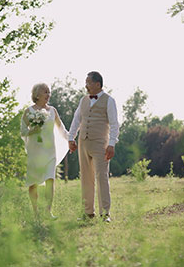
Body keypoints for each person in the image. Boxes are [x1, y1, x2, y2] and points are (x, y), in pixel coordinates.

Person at [68, 71, 119, 223]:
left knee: (102, 177)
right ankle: (88, 212)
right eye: (86, 82)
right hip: (84, 143)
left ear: (98, 84)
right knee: (86, 178)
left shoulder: (109, 101)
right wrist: (71, 138)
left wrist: (111, 144)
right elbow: (77, 120)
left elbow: (115, 124)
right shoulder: (83, 100)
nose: (86, 85)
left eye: (89, 82)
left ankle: (105, 213)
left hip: (100, 144)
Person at [20, 83, 69, 218]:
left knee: (50, 179)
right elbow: (23, 132)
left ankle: (48, 211)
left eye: (49, 92)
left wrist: (70, 139)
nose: (48, 94)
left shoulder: (52, 111)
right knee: (33, 183)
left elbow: (61, 129)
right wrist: (32, 131)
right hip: (35, 152)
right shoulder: (28, 111)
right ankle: (36, 213)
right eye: (45, 92)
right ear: (37, 94)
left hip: (49, 151)